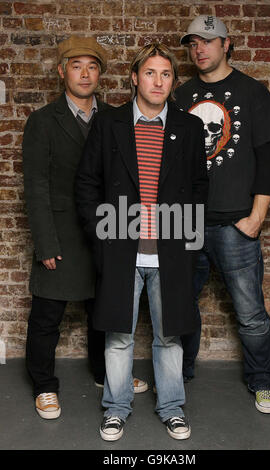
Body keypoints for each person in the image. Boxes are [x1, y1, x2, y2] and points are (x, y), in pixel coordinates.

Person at [75, 43, 208, 441]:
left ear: (173, 81)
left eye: (166, 74)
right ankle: (116, 408)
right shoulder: (110, 124)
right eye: (150, 73)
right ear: (135, 78)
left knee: (170, 334)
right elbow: (87, 184)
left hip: (169, 250)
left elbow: (200, 188)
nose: (158, 81)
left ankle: (171, 408)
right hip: (120, 248)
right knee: (118, 335)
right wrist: (101, 238)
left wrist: (188, 240)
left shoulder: (188, 128)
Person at [23, 35, 147, 420]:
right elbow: (36, 186)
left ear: (101, 74)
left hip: (105, 231)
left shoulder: (115, 118)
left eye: (92, 66)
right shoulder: (43, 121)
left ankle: (102, 373)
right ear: (62, 72)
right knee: (47, 316)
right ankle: (44, 385)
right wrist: (44, 243)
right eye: (76, 66)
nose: (85, 73)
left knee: (103, 309)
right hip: (60, 234)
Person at [175, 15, 270, 413]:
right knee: (180, 305)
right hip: (187, 223)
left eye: (207, 40)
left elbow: (269, 160)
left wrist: (256, 217)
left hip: (236, 223)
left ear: (226, 43)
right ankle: (178, 375)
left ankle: (262, 378)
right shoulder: (182, 95)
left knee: (250, 310)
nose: (199, 49)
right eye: (192, 43)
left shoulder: (252, 92)